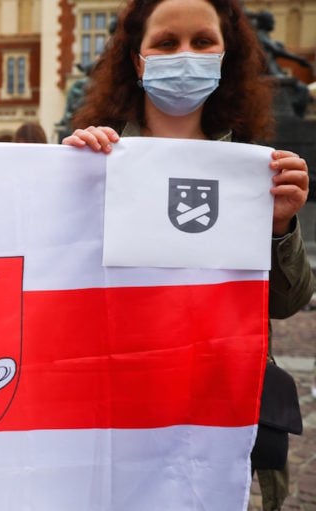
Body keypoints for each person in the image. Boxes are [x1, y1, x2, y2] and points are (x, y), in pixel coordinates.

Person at [62, 0, 314, 509]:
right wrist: (69, 182)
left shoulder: (252, 167)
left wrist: (281, 226)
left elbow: (287, 303)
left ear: (225, 56)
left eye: (202, 42)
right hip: (121, 413)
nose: (184, 55)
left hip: (217, 413)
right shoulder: (96, 158)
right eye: (166, 42)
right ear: (138, 59)